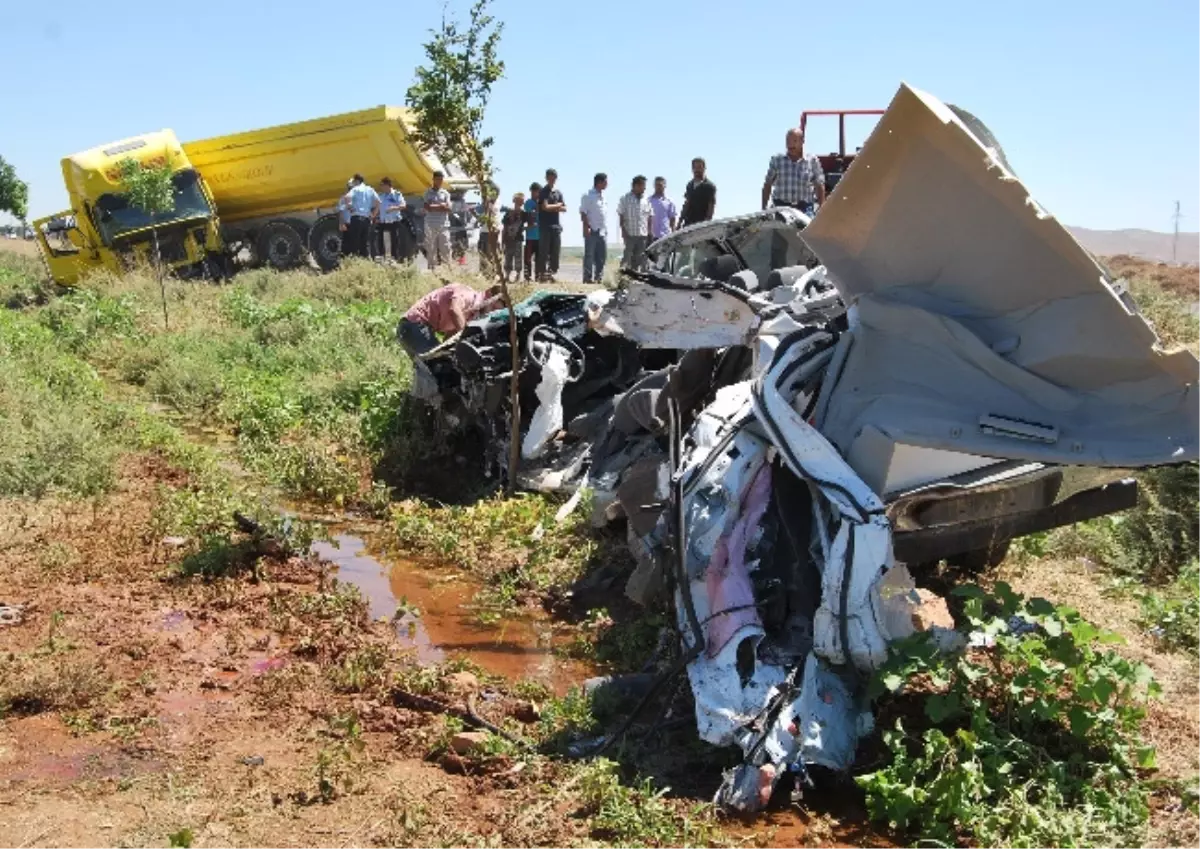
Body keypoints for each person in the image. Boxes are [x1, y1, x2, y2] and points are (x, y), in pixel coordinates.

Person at [761, 128, 826, 214]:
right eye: (788, 141)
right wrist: (764, 208)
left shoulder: (812, 160)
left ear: (802, 141)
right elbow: (767, 184)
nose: (790, 145)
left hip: (804, 207)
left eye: (794, 141)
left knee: (810, 226)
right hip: (781, 206)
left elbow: (819, 185)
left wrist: (822, 209)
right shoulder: (777, 160)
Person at [618, 175, 653, 272]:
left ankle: (634, 277)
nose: (644, 188)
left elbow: (650, 216)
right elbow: (621, 215)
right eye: (643, 185)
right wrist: (623, 231)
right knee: (627, 257)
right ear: (635, 186)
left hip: (642, 234)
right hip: (630, 234)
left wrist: (649, 231)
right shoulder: (625, 199)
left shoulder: (646, 200)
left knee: (639, 258)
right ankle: (621, 276)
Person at [537, 168, 566, 282]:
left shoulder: (558, 193)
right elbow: (545, 207)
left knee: (555, 252)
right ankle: (542, 274)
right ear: (546, 178)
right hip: (545, 226)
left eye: (554, 177)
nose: (552, 179)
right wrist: (557, 206)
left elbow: (564, 208)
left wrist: (555, 207)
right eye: (549, 177)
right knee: (544, 251)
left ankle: (551, 273)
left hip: (556, 227)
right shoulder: (543, 191)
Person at [580, 173, 608, 284]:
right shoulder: (588, 195)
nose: (607, 184)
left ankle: (599, 278)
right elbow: (583, 213)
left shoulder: (603, 197)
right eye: (605, 181)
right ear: (599, 182)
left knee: (601, 256)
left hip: (602, 230)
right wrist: (586, 227)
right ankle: (587, 278)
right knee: (589, 255)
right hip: (592, 229)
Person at [422, 171, 452, 269]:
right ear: (433, 179)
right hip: (430, 224)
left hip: (443, 224)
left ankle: (447, 270)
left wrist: (435, 206)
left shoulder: (445, 193)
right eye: (438, 179)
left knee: (445, 248)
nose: (439, 181)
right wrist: (441, 205)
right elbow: (427, 207)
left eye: (441, 179)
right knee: (431, 249)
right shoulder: (427, 193)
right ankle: (432, 271)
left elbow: (449, 209)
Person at [345, 173, 381, 258]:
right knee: (364, 243)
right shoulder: (370, 189)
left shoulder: (355, 189)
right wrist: (373, 214)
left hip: (356, 218)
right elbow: (378, 202)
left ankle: (355, 261)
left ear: (357, 181)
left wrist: (350, 208)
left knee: (354, 242)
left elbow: (347, 197)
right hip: (367, 219)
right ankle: (364, 261)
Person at [375, 177, 407, 261]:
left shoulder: (396, 194)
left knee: (395, 241)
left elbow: (403, 205)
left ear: (388, 185)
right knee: (380, 241)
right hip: (383, 221)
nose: (381, 187)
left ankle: (394, 259)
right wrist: (376, 216)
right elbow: (377, 207)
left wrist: (393, 208)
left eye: (382, 185)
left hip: (394, 221)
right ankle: (382, 258)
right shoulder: (381, 196)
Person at [680, 157, 716, 227]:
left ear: (704, 168)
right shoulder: (690, 185)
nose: (697, 170)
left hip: (701, 224)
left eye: (699, 167)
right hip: (688, 223)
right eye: (695, 167)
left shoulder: (709, 186)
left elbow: (711, 206)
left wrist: (706, 223)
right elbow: (687, 203)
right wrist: (680, 221)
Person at [502, 192, 526, 282]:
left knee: (518, 258)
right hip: (508, 239)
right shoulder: (508, 213)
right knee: (508, 257)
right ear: (514, 201)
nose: (519, 203)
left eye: (521, 201)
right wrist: (503, 240)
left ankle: (518, 275)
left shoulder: (523, 214)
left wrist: (523, 228)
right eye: (517, 201)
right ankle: (507, 275)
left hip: (518, 239)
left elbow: (531, 223)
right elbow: (504, 228)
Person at [648, 176, 677, 242]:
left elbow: (672, 220)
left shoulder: (669, 202)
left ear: (665, 186)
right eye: (656, 185)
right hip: (651, 237)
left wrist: (674, 234)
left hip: (665, 236)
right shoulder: (648, 201)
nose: (658, 187)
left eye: (660, 185)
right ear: (654, 186)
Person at [523, 183, 541, 282]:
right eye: (533, 191)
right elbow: (530, 212)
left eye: (537, 191)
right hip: (530, 235)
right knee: (527, 258)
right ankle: (527, 276)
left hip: (540, 235)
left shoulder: (542, 202)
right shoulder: (528, 203)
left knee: (539, 258)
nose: (535, 193)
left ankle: (538, 275)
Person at [337, 179, 353, 256]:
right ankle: (346, 259)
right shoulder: (343, 198)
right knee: (346, 244)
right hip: (348, 223)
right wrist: (341, 224)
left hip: (357, 223)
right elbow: (341, 211)